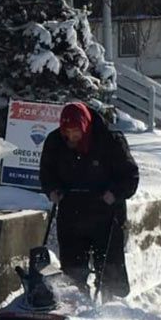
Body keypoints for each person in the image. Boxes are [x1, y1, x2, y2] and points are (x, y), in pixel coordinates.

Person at [39, 102, 139, 301]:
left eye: (75, 132)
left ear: (85, 126)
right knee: (73, 269)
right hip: (72, 213)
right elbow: (47, 173)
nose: (71, 137)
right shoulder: (55, 141)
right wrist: (52, 191)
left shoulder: (110, 140)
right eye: (66, 132)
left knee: (110, 270)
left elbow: (130, 176)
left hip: (106, 213)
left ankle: (110, 308)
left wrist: (114, 193)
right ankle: (77, 305)